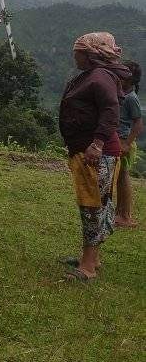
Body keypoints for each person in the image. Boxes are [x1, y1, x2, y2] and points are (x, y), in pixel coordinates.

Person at [58, 32, 131, 281]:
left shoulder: (100, 77)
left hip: (97, 153)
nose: (74, 55)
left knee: (92, 206)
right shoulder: (95, 76)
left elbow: (111, 111)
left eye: (77, 51)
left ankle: (87, 267)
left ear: (90, 54)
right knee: (95, 203)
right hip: (90, 150)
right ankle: (92, 258)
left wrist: (97, 144)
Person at [115, 59, 142, 229]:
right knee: (117, 178)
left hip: (124, 142)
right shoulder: (121, 94)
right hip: (118, 141)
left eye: (124, 75)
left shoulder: (132, 98)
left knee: (123, 178)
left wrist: (126, 144)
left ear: (131, 80)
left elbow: (138, 125)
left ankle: (125, 216)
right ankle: (119, 213)